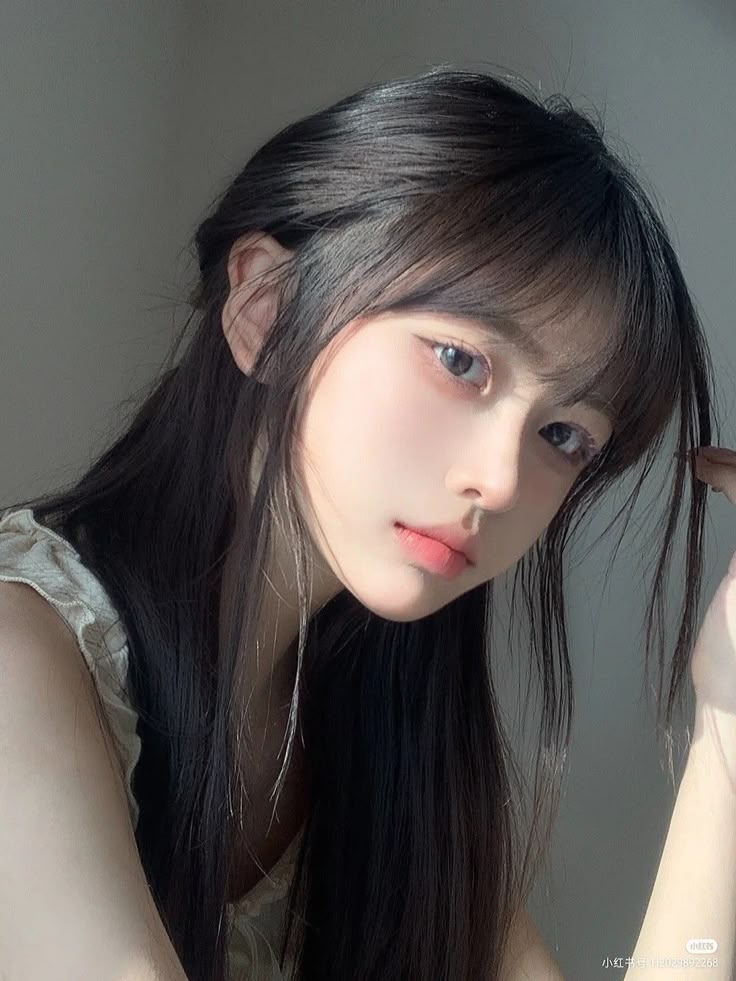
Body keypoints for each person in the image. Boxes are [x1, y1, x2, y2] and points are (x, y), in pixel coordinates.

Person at [0, 64, 731, 981]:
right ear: (268, 310)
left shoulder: (381, 745)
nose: (500, 480)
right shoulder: (21, 650)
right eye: (460, 361)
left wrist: (726, 715)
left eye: (562, 434)